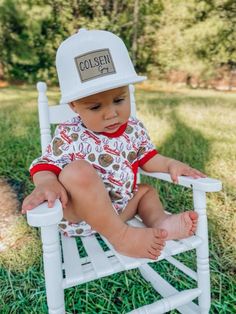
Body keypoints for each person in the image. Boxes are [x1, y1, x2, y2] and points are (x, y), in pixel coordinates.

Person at [22, 29, 206, 260]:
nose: (111, 114)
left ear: (128, 92)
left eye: (119, 100)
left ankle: (161, 223)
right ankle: (122, 238)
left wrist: (170, 164)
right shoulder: (69, 133)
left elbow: (148, 159)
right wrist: (47, 182)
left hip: (119, 210)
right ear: (74, 107)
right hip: (81, 216)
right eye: (95, 107)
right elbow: (45, 164)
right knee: (77, 171)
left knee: (146, 192)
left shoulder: (134, 128)